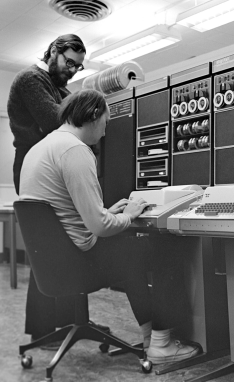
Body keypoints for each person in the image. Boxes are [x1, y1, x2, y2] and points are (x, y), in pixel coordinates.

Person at [19, 89, 199, 364]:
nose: (104, 132)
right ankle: (162, 345)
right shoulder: (75, 150)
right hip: (80, 262)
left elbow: (63, 212)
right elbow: (101, 228)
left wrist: (107, 212)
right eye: (105, 123)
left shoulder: (41, 148)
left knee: (130, 252)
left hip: (55, 264)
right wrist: (129, 215)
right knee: (166, 245)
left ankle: (151, 337)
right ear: (92, 116)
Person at [7, 34, 109, 347]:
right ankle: (43, 330)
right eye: (69, 62)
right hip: (36, 166)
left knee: (69, 242)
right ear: (54, 51)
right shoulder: (30, 79)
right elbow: (56, 121)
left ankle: (70, 321)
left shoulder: (60, 88)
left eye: (78, 67)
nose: (72, 71)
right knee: (48, 248)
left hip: (56, 164)